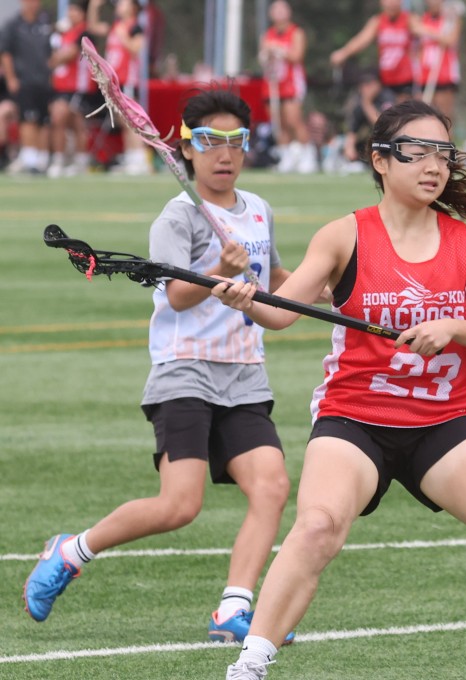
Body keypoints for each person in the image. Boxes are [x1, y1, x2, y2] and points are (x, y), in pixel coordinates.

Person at [212, 100, 466, 680]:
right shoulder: (344, 236)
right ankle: (250, 664)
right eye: (416, 152)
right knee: (319, 525)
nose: (433, 166)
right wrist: (245, 298)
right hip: (355, 417)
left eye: (443, 155)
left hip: (444, 422)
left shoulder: (463, 242)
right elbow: (279, 313)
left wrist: (453, 327)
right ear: (380, 160)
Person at [23, 88, 296, 647]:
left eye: (236, 140)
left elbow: (275, 280)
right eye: (210, 141)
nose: (224, 153)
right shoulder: (178, 216)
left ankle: (233, 610)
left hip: (244, 372)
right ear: (186, 149)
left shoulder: (259, 209)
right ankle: (71, 550)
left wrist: (338, 288)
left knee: (271, 486)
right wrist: (219, 270)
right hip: (184, 370)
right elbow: (176, 294)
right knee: (179, 505)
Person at [86, 0, 150, 175]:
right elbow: (93, 28)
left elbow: (136, 49)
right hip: (114, 82)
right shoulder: (116, 26)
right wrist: (94, 7)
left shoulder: (134, 27)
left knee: (131, 119)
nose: (120, 5)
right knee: (123, 121)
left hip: (126, 80)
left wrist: (124, 36)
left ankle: (140, 158)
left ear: (133, 8)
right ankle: (131, 156)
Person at [259, 0, 316, 174]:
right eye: (276, 10)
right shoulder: (267, 34)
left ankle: (308, 156)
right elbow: (262, 58)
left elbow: (297, 56)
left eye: (282, 9)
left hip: (291, 83)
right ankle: (286, 157)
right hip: (273, 83)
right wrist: (267, 53)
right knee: (279, 123)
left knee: (294, 120)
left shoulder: (296, 32)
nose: (279, 13)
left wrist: (279, 50)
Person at [0, 0, 53, 175]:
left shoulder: (44, 24)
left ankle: (41, 159)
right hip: (24, 80)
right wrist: (11, 78)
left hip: (43, 81)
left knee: (43, 121)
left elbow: (50, 53)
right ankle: (30, 158)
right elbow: (5, 53)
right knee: (28, 119)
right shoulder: (13, 25)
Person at [47, 0, 98, 177]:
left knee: (67, 120)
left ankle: (69, 160)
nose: (70, 14)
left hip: (78, 86)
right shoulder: (65, 33)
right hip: (61, 86)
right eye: (69, 10)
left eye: (74, 10)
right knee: (71, 123)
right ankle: (67, 159)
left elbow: (68, 55)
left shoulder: (84, 32)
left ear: (82, 13)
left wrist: (52, 60)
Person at [330, 0, 415, 103]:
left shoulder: (409, 19)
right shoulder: (378, 21)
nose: (391, 3)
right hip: (386, 78)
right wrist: (344, 52)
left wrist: (433, 34)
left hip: (406, 79)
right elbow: (362, 40)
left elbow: (424, 30)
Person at [411, 0, 462, 125]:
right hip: (424, 75)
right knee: (425, 118)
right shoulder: (422, 18)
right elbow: (417, 45)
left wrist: (427, 30)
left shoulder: (450, 19)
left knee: (445, 119)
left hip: (444, 74)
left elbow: (451, 40)